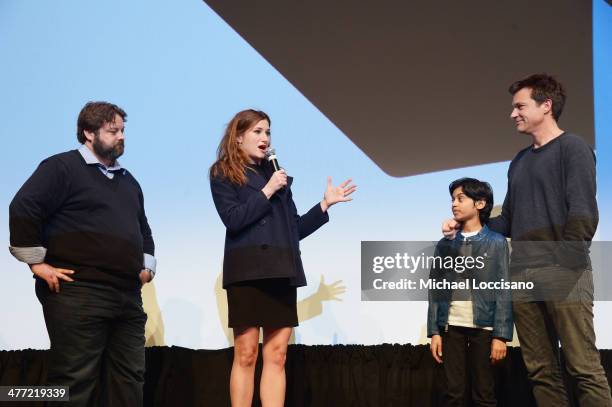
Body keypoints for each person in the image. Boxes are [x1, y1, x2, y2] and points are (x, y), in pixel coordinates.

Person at [442, 74, 612, 406]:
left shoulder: (573, 148)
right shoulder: (519, 161)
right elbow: (508, 220)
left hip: (563, 270)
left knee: (583, 368)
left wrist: (566, 262)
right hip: (521, 275)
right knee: (541, 371)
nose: (513, 113)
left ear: (545, 106)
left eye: (520, 106)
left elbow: (582, 211)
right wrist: (468, 222)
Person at [9, 101, 156, 406]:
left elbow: (142, 230)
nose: (121, 137)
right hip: (79, 292)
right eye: (113, 130)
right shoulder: (62, 168)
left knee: (130, 379)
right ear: (88, 133)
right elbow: (23, 208)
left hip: (127, 296)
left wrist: (147, 265)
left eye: (123, 131)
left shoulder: (128, 181)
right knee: (74, 380)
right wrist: (37, 263)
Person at [209, 109, 355, 407]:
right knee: (247, 353)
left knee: (277, 355)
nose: (265, 138)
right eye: (258, 132)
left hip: (281, 269)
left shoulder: (278, 175)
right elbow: (234, 220)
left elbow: (293, 229)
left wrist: (324, 205)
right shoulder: (223, 172)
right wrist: (267, 190)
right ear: (238, 138)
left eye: (268, 132)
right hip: (247, 272)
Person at [429, 178, 512, 406]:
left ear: (480, 204)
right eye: (452, 199)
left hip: (484, 327)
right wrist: (434, 331)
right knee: (452, 394)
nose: (454, 204)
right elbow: (435, 289)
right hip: (451, 325)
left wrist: (501, 335)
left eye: (460, 199)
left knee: (484, 394)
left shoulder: (496, 242)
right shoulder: (445, 244)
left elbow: (503, 288)